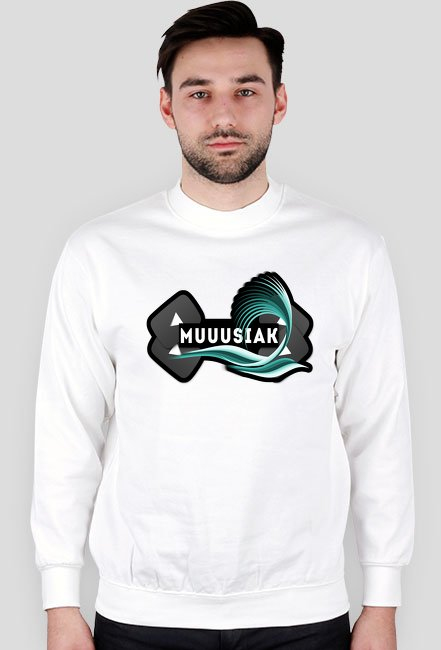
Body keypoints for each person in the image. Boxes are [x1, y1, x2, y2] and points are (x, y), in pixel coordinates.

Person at [30, 2, 415, 649]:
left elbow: (378, 430)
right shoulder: (100, 253)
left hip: (302, 612)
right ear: (166, 107)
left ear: (280, 101)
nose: (224, 116)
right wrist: (59, 599)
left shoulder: (350, 251)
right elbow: (67, 430)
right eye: (199, 93)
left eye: (246, 90)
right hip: (143, 614)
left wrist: (383, 599)